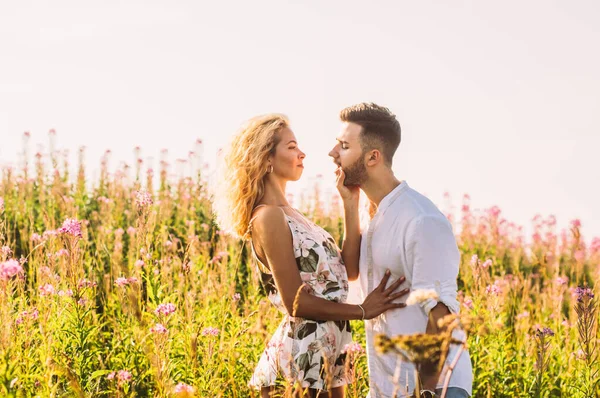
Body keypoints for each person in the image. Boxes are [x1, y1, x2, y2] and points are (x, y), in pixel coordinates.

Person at [214, 114, 410, 398]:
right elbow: (296, 302)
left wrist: (350, 203)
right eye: (292, 146)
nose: (302, 153)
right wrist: (362, 311)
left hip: (328, 353)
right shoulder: (268, 217)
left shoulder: (294, 216)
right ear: (266, 158)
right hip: (299, 358)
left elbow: (349, 270)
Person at [328, 103, 473, 398]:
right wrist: (350, 205)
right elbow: (351, 272)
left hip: (436, 388)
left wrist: (426, 390)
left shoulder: (421, 220)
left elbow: (441, 315)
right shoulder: (376, 214)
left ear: (372, 157)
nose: (332, 154)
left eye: (343, 146)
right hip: (388, 388)